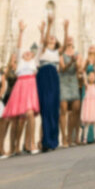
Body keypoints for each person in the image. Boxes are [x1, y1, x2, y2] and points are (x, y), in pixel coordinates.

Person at [1, 21, 40, 155]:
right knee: (15, 118)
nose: (28, 53)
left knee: (29, 114)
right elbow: (18, 48)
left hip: (30, 88)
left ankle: (32, 143)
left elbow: (39, 49)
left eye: (30, 53)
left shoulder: (34, 62)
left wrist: (41, 32)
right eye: (25, 53)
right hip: (19, 88)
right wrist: (21, 32)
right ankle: (13, 147)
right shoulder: (20, 62)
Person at [36, 14, 62, 151]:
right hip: (44, 77)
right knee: (46, 108)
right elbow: (44, 40)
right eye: (49, 37)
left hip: (54, 78)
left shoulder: (57, 52)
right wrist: (49, 24)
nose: (52, 38)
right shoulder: (43, 49)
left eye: (54, 37)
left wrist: (66, 28)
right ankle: (46, 141)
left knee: (54, 109)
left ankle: (53, 140)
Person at [59, 22, 82, 147]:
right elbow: (62, 68)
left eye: (71, 39)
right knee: (63, 110)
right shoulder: (62, 54)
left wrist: (77, 62)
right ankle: (64, 139)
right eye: (67, 39)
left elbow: (79, 69)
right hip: (63, 82)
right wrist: (70, 62)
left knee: (76, 110)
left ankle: (70, 135)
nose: (69, 40)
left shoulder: (77, 53)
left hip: (73, 82)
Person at [0, 53, 18, 158]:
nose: (14, 63)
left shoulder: (20, 69)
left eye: (16, 61)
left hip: (18, 98)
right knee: (4, 122)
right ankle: (0, 146)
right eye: (12, 61)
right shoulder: (5, 71)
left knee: (14, 122)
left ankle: (12, 147)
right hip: (8, 97)